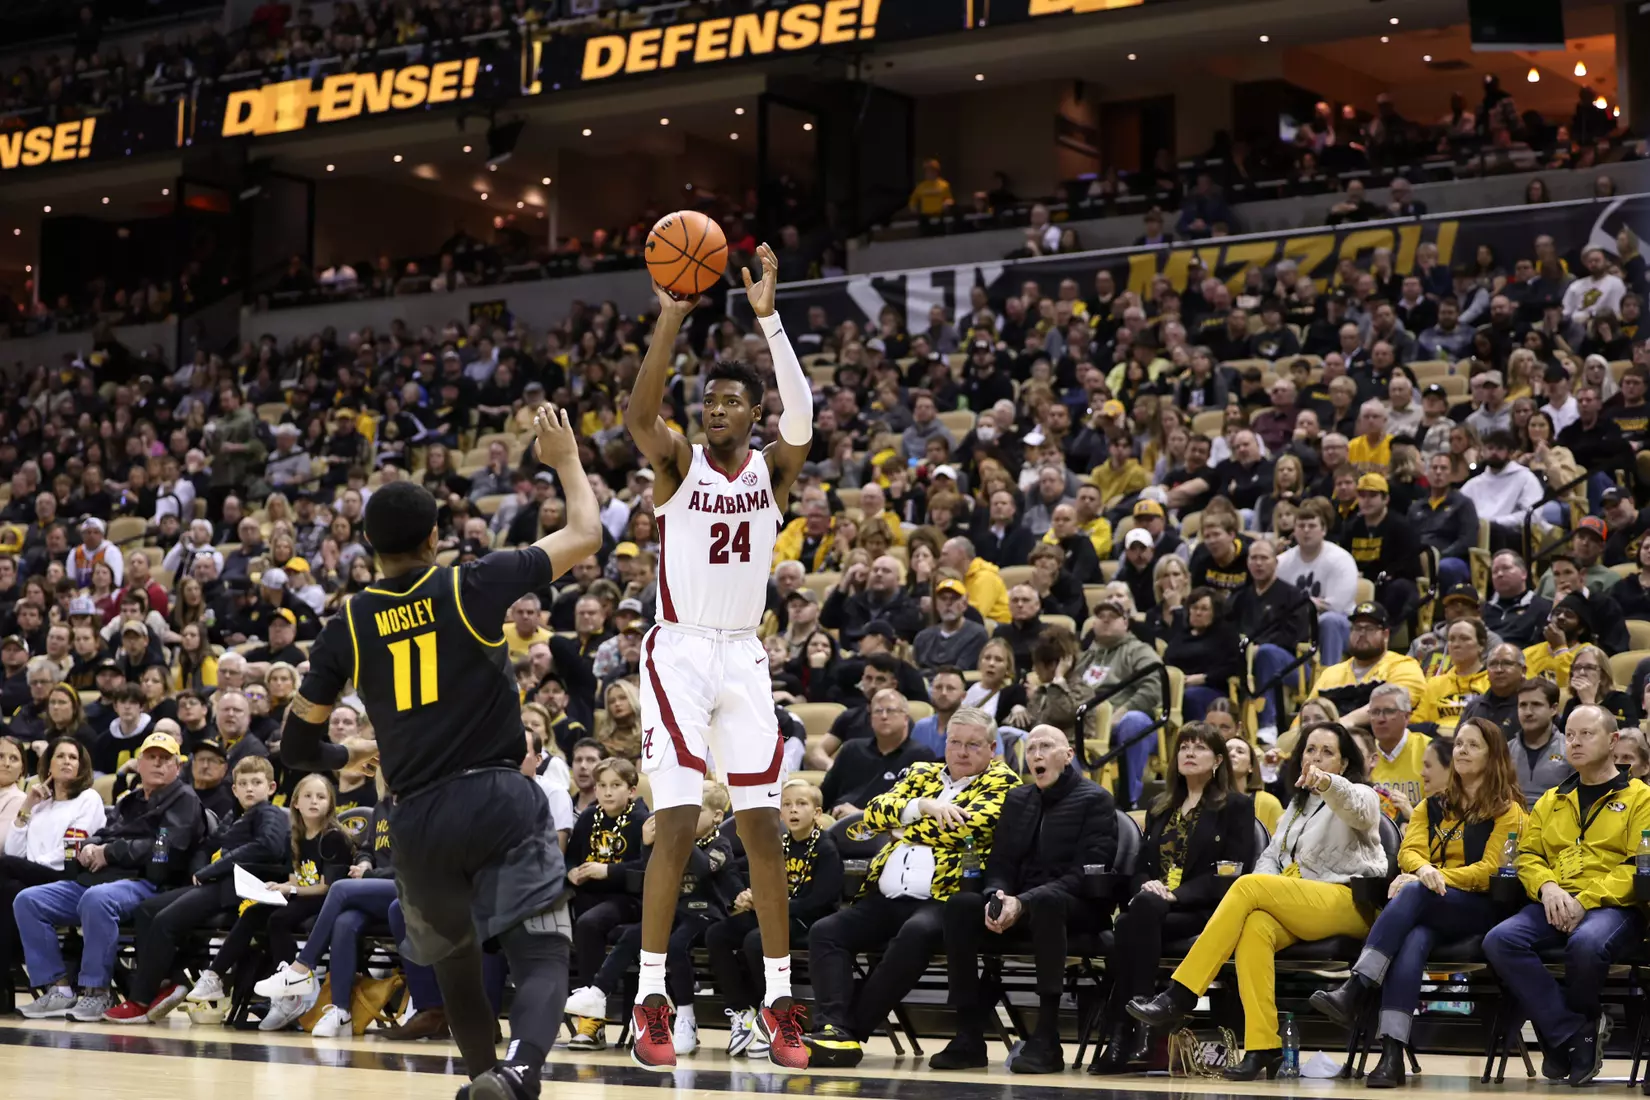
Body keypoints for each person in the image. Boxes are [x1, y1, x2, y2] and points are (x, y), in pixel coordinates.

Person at [273, 403, 602, 1100]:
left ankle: (485, 1077)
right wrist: (566, 459)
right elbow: (584, 533)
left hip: (416, 819)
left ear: (367, 544)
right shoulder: (470, 583)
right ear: (434, 536)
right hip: (497, 799)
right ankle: (522, 1072)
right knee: (542, 950)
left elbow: (296, 743)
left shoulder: (348, 623)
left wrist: (348, 757)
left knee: (454, 967)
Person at [622, 245, 813, 1069]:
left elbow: (803, 419)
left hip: (743, 657)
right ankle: (650, 997)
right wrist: (671, 314)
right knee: (672, 823)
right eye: (707, 403)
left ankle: (779, 1003)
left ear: (754, 413)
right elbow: (637, 417)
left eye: (731, 403)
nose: (714, 413)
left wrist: (768, 317)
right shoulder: (678, 465)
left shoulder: (772, 471)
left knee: (762, 828)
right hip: (680, 650)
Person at [1126, 722, 1385, 1079]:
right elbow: (1269, 857)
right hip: (1301, 901)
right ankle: (1263, 1046)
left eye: (1327, 752)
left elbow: (1359, 809)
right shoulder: (1295, 807)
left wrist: (1327, 783)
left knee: (1249, 887)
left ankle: (1182, 993)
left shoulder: (1360, 792)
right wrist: (1271, 883)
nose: (1317, 757)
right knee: (1255, 927)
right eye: (1311, 750)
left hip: (1350, 900)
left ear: (1344, 763)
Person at [1309, 718, 1526, 1085]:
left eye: (1473, 745)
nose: (1462, 751)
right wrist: (1424, 869)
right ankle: (1391, 1055)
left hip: (1481, 908)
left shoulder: (1509, 811)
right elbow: (1409, 851)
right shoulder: (1433, 805)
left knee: (1413, 892)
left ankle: (1358, 986)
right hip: (1429, 904)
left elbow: (1491, 869)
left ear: (1494, 757)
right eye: (1459, 744)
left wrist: (1434, 877)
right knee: (1413, 939)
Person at [804, 721, 1019, 1066]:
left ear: (992, 749)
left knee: (915, 934)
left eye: (974, 745)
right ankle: (831, 1026)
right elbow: (873, 813)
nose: (962, 752)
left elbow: (971, 828)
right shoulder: (922, 771)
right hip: (886, 896)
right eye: (955, 742)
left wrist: (901, 825)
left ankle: (847, 1034)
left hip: (945, 900)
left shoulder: (1003, 780)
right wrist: (924, 807)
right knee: (825, 932)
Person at [932, 725, 1116, 1073]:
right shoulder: (1017, 799)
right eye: (1031, 749)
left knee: (1046, 904)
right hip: (1020, 904)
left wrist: (1025, 902)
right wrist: (996, 896)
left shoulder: (1095, 799)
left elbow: (1086, 872)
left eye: (1046, 746)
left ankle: (1047, 1038)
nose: (1036, 755)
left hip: (1078, 907)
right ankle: (968, 1034)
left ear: (1068, 755)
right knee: (960, 906)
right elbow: (999, 863)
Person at [1483, 705, 1650, 1087]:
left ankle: (1566, 1036)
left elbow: (1637, 865)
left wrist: (1584, 900)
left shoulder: (1642, 799)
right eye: (1571, 734)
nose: (1574, 741)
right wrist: (1548, 887)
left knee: (1587, 942)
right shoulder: (1552, 798)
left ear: (1612, 741)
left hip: (1613, 905)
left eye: (1586, 734)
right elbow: (1527, 855)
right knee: (1500, 940)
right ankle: (1575, 1031)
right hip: (1554, 899)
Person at [1091, 723, 1256, 1074]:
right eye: (1183, 747)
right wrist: (1147, 887)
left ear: (1217, 760)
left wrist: (1174, 895)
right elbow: (1139, 866)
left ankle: (1127, 1034)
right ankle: (1139, 1026)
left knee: (1127, 924)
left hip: (1207, 912)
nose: (1189, 753)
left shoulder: (1236, 807)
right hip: (1153, 912)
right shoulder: (1160, 806)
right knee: (1132, 917)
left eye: (1199, 747)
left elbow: (1230, 874)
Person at [15, 730, 205, 1022]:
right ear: (138, 764)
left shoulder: (184, 799)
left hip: (149, 883)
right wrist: (91, 846)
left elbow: (166, 847)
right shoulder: (130, 800)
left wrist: (110, 852)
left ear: (177, 767)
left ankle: (97, 992)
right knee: (28, 900)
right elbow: (108, 832)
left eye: (165, 759)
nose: (157, 764)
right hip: (103, 878)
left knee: (97, 899)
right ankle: (58, 988)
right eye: (151, 758)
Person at [107, 755, 290, 1024]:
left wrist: (211, 871)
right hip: (217, 883)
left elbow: (267, 846)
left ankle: (140, 1001)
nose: (250, 788)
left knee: (165, 920)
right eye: (244, 783)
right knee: (147, 910)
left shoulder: (269, 813)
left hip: (239, 888)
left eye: (257, 782)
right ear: (234, 789)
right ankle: (171, 980)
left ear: (271, 788)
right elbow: (207, 845)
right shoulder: (236, 815)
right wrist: (199, 870)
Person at [705, 780, 842, 1059]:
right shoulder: (777, 844)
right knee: (717, 933)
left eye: (801, 804)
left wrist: (770, 906)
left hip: (806, 921)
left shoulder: (826, 847)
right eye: (787, 804)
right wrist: (742, 895)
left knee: (756, 941)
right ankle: (742, 1011)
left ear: (817, 813)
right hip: (771, 914)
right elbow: (736, 868)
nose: (793, 810)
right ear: (779, 813)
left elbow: (822, 900)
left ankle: (772, 1014)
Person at [0, 736, 104, 1016]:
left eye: (73, 757)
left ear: (82, 766)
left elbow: (73, 847)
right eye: (61, 756)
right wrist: (28, 805)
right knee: (9, 888)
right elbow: (14, 848)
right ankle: (56, 987)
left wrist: (29, 864)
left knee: (5, 869)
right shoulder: (40, 804)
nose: (67, 762)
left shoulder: (88, 798)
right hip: (30, 876)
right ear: (49, 764)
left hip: (68, 874)